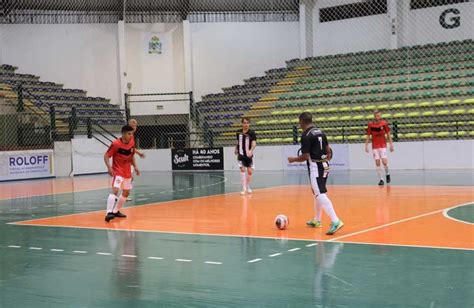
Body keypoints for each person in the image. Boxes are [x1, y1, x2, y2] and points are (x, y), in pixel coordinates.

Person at [287, 112, 344, 235]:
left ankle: (336, 220)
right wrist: (324, 159)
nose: (299, 124)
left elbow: (305, 156)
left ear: (302, 121)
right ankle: (317, 220)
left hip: (316, 167)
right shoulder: (320, 132)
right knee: (316, 192)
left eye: (299, 122)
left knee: (319, 194)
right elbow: (329, 151)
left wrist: (293, 160)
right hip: (324, 165)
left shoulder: (306, 135)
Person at [103, 125, 140, 222]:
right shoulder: (115, 144)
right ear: (123, 134)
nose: (131, 136)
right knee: (115, 190)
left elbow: (131, 155)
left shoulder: (132, 142)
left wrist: (135, 167)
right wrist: (109, 167)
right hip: (118, 171)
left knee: (126, 193)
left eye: (132, 134)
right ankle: (108, 213)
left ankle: (115, 211)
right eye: (129, 134)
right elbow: (106, 156)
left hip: (127, 171)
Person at [365, 110, 394, 186]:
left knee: (384, 162)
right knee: (377, 163)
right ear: (374, 116)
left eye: (379, 116)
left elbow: (388, 134)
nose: (377, 117)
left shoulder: (384, 123)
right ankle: (381, 179)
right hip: (375, 146)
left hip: (382, 145)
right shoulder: (370, 125)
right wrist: (366, 145)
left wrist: (391, 144)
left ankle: (387, 174)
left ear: (380, 116)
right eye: (376, 116)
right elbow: (368, 135)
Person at [235, 117, 257, 195]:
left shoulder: (252, 133)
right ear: (242, 124)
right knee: (242, 170)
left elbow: (254, 143)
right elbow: (238, 142)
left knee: (250, 172)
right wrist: (236, 149)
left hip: (248, 155)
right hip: (241, 154)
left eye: (247, 123)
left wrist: (251, 150)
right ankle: (244, 189)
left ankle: (248, 186)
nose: (246, 124)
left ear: (249, 124)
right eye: (244, 123)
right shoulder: (238, 132)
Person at [126, 119, 145, 201]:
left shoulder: (131, 136)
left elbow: (132, 149)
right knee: (128, 178)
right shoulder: (128, 136)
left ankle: (124, 194)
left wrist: (139, 153)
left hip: (128, 159)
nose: (135, 127)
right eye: (133, 125)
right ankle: (124, 195)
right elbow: (130, 150)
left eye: (136, 125)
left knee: (130, 178)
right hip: (126, 160)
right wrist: (135, 165)